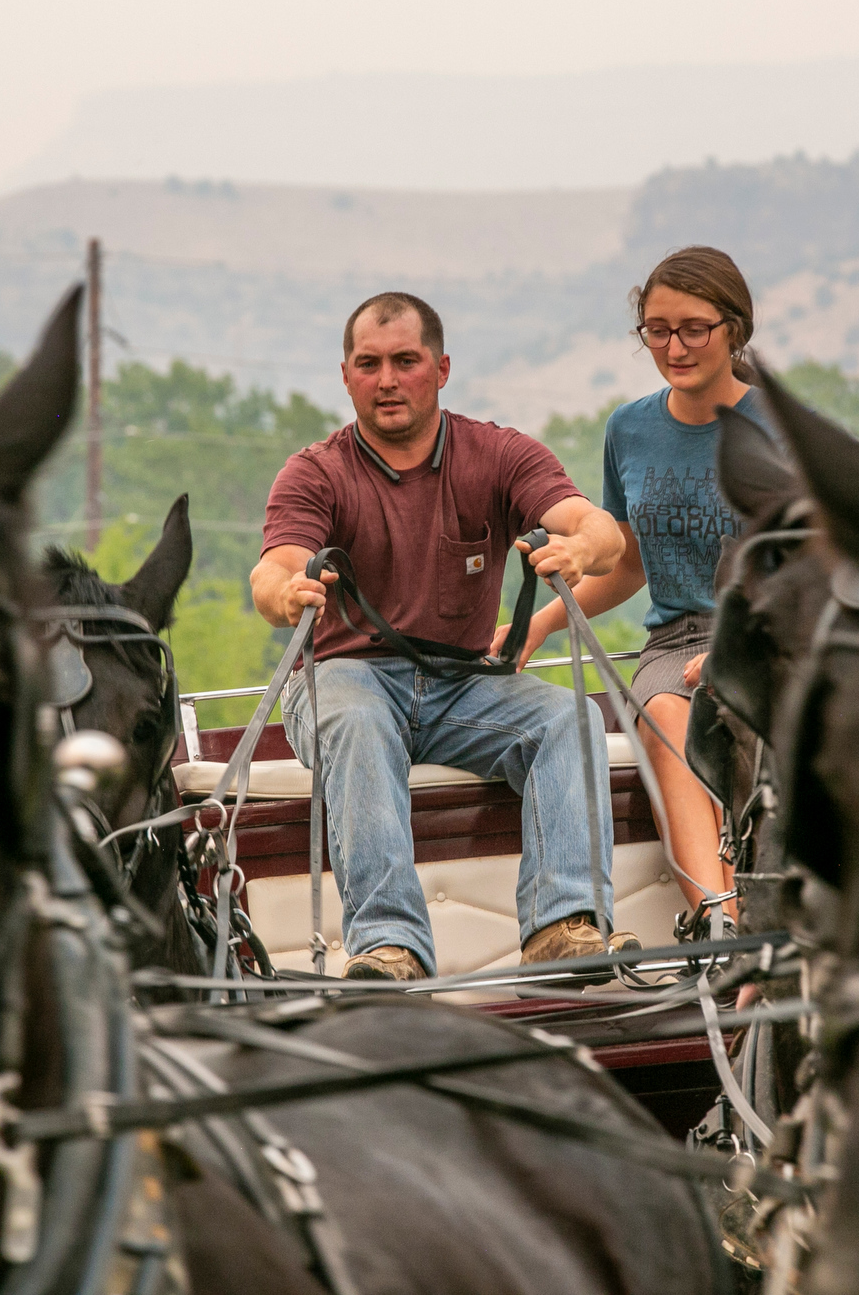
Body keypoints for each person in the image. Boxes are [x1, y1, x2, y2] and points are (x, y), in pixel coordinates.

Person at [252, 292, 634, 982]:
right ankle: (390, 948)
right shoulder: (316, 471)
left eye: (406, 360)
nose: (388, 379)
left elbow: (597, 528)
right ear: (346, 377)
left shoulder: (499, 453)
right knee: (359, 718)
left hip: (463, 684)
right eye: (369, 364)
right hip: (344, 679)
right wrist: (283, 592)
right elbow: (273, 569)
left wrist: (581, 550)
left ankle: (563, 927)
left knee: (567, 716)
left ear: (443, 367)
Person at [499, 247, 776, 936]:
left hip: (771, 632)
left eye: (692, 328)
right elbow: (626, 562)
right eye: (657, 330)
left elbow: (810, 562)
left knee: (743, 716)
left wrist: (740, 649)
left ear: (733, 328)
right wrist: (538, 626)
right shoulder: (630, 429)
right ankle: (720, 927)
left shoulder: (779, 428)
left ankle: (768, 913)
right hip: (674, 640)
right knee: (662, 715)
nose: (674, 346)